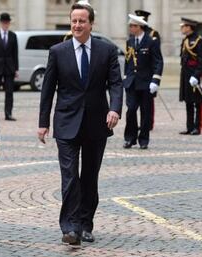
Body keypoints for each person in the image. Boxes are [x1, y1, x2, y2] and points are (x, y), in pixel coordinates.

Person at [38, 2, 123, 245]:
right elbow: (48, 89)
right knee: (70, 177)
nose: (77, 25)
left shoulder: (106, 51)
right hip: (66, 123)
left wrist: (115, 109)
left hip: (97, 123)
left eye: (82, 21)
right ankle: (70, 227)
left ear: (91, 23)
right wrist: (43, 122)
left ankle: (86, 224)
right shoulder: (58, 51)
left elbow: (116, 84)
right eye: (74, 20)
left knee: (89, 177)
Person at [123, 14, 163, 150]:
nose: (130, 28)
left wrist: (155, 80)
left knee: (145, 113)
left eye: (132, 26)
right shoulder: (130, 41)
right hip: (132, 83)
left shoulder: (151, 41)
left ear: (139, 27)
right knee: (131, 110)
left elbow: (158, 61)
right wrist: (125, 76)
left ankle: (144, 139)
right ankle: (129, 138)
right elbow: (128, 60)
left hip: (146, 83)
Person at [179, 17, 202, 135]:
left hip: (195, 75)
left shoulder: (199, 41)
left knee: (197, 102)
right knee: (188, 101)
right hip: (186, 74)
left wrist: (196, 75)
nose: (182, 28)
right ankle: (189, 126)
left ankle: (197, 127)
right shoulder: (185, 40)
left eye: (183, 26)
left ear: (189, 27)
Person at [135, 9, 161, 131]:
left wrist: (155, 76)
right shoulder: (135, 34)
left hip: (149, 72)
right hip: (138, 73)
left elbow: (156, 55)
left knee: (148, 103)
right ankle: (142, 124)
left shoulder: (152, 34)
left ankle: (148, 123)